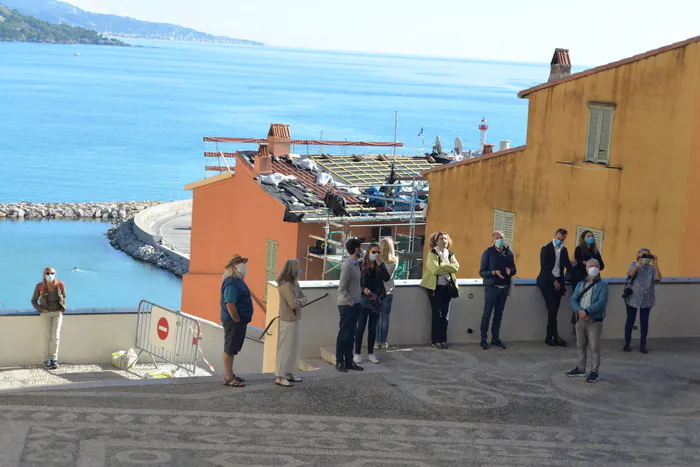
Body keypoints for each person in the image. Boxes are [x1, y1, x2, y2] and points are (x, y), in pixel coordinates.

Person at [566, 259, 609, 383]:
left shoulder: (603, 285)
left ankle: (594, 371)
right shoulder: (580, 284)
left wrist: (588, 312)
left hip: (594, 320)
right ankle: (580, 368)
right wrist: (580, 311)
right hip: (580, 319)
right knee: (580, 345)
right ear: (586, 268)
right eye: (591, 266)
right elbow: (573, 299)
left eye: (596, 266)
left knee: (594, 347)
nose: (593, 268)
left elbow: (601, 302)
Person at [420, 232, 460, 349]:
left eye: (446, 239)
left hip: (448, 288)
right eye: (441, 239)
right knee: (437, 314)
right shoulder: (432, 253)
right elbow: (435, 269)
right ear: (436, 241)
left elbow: (456, 267)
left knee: (445, 315)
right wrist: (448, 267)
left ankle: (443, 340)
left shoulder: (450, 254)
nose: (444, 241)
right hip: (435, 288)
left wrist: (442, 266)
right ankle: (435, 340)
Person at [478, 231, 516, 350]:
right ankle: (483, 340)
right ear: (493, 240)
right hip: (491, 288)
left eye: (501, 238)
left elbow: (514, 268)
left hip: (504, 288)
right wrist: (493, 272)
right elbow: (482, 272)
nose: (499, 240)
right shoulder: (488, 253)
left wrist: (511, 271)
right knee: (487, 314)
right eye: (497, 238)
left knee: (499, 315)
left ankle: (495, 338)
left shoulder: (508, 252)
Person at [354, 243, 390, 364]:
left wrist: (380, 264)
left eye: (378, 252)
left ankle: (371, 353)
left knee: (373, 328)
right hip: (364, 299)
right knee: (361, 327)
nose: (376, 254)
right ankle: (357, 353)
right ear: (368, 252)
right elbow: (356, 282)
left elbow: (386, 278)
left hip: (376, 299)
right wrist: (363, 289)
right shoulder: (360, 264)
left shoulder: (380, 265)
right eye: (374, 252)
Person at [220, 254, 253, 388]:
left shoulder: (237, 281)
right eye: (239, 262)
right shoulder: (231, 283)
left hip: (238, 321)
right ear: (233, 266)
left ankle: (230, 375)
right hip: (233, 321)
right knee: (230, 348)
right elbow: (230, 304)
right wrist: (237, 320)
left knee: (233, 348)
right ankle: (228, 377)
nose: (242, 264)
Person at [537, 228, 573, 347]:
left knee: (554, 311)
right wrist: (554, 281)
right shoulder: (546, 248)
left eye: (562, 240)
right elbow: (544, 267)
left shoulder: (564, 250)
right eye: (558, 239)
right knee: (552, 309)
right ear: (555, 236)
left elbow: (567, 265)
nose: (560, 241)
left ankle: (553, 336)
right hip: (547, 282)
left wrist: (579, 268)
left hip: (559, 282)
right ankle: (551, 337)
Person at [275, 259, 308, 387]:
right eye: (298, 268)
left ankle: (289, 373)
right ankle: (280, 375)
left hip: (295, 319)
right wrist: (300, 302)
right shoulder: (285, 285)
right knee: (284, 348)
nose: (300, 270)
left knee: (293, 348)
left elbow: (303, 297)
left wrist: (299, 302)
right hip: (287, 320)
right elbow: (293, 303)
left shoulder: (295, 283)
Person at [624, 249, 662, 354]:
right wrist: (638, 264)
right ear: (638, 257)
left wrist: (655, 263)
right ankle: (627, 343)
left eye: (646, 256)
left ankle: (643, 345)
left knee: (644, 322)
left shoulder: (652, 268)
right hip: (633, 298)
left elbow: (658, 279)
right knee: (630, 321)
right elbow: (629, 275)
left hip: (647, 299)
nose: (645, 258)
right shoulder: (634, 265)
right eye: (643, 255)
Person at [336, 238, 365, 373]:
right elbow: (342, 287)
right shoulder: (347, 266)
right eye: (360, 247)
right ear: (356, 249)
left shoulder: (356, 264)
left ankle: (349, 361)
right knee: (344, 334)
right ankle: (339, 361)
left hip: (356, 304)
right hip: (347, 306)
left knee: (352, 335)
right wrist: (351, 302)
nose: (362, 250)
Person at [31, 266, 66, 370]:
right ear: (44, 274)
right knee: (47, 336)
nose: (49, 275)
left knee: (55, 336)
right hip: (45, 313)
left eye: (51, 273)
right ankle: (47, 360)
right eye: (47, 273)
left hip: (57, 313)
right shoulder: (40, 286)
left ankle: (54, 359)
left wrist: (62, 308)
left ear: (55, 274)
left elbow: (64, 296)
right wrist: (41, 310)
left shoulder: (60, 284)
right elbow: (33, 300)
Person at [376, 237, 399, 349]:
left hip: (377, 291)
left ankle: (376, 341)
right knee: (385, 317)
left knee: (376, 318)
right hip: (389, 291)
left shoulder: (377, 260)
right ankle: (383, 342)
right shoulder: (394, 261)